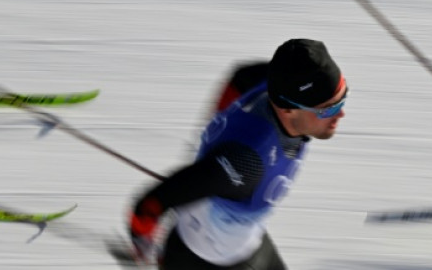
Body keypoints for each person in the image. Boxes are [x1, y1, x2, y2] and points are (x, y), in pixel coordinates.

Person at [127, 38, 349, 269]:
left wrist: (219, 128)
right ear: (288, 109)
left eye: (344, 96)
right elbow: (151, 204)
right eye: (328, 109)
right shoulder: (246, 164)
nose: (340, 114)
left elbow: (241, 76)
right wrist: (145, 248)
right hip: (207, 261)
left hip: (248, 243)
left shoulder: (272, 81)